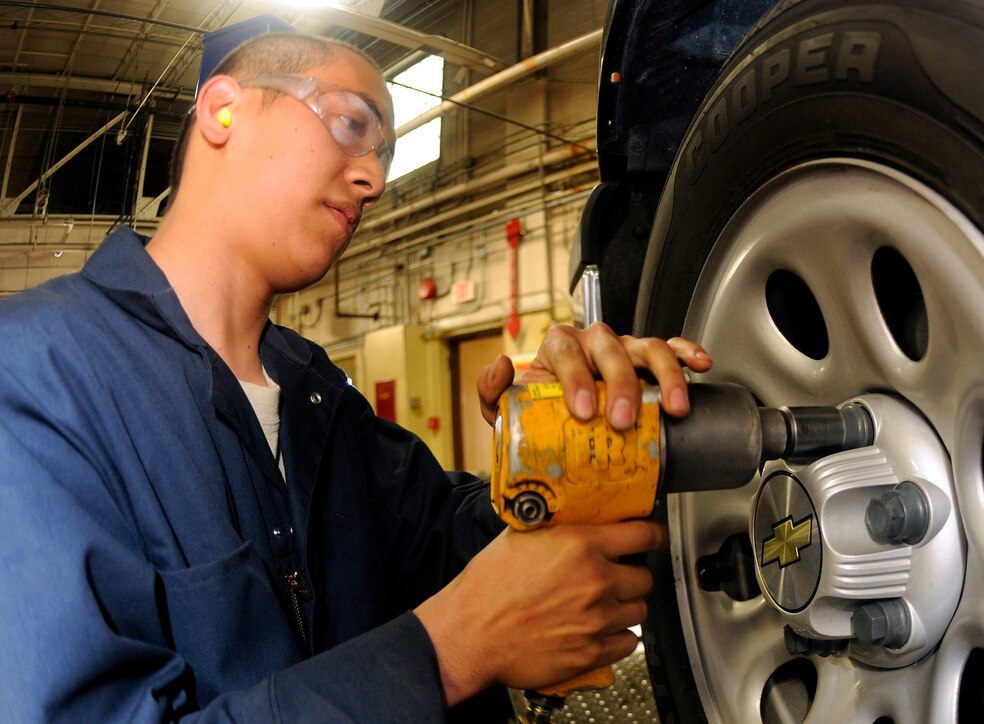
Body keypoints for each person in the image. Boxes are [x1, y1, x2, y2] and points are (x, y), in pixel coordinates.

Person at [0, 32, 712, 721]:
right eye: (350, 123)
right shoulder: (38, 373)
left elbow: (455, 543)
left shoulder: (319, 399)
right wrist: (448, 653)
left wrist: (568, 447)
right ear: (223, 110)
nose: (374, 179)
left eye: (385, 153)